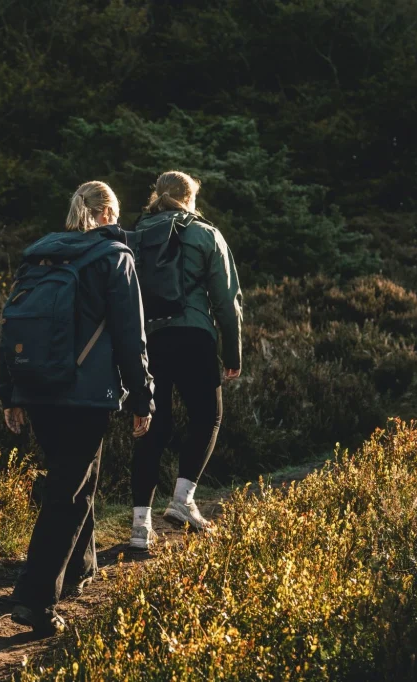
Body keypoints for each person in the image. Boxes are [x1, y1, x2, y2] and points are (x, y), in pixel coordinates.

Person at [0, 180, 155, 636]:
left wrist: (10, 392)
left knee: (76, 480)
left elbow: (8, 327)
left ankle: (77, 573)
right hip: (86, 395)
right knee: (67, 492)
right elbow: (131, 336)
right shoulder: (114, 258)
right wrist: (142, 398)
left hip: (37, 388)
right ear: (107, 212)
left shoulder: (40, 256)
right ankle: (34, 599)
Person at [129, 170, 243, 551]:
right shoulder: (206, 233)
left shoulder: (136, 235)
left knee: (150, 428)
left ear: (156, 196)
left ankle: (139, 527)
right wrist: (232, 352)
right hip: (194, 336)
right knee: (207, 416)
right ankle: (183, 500)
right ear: (190, 198)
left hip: (150, 341)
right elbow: (227, 302)